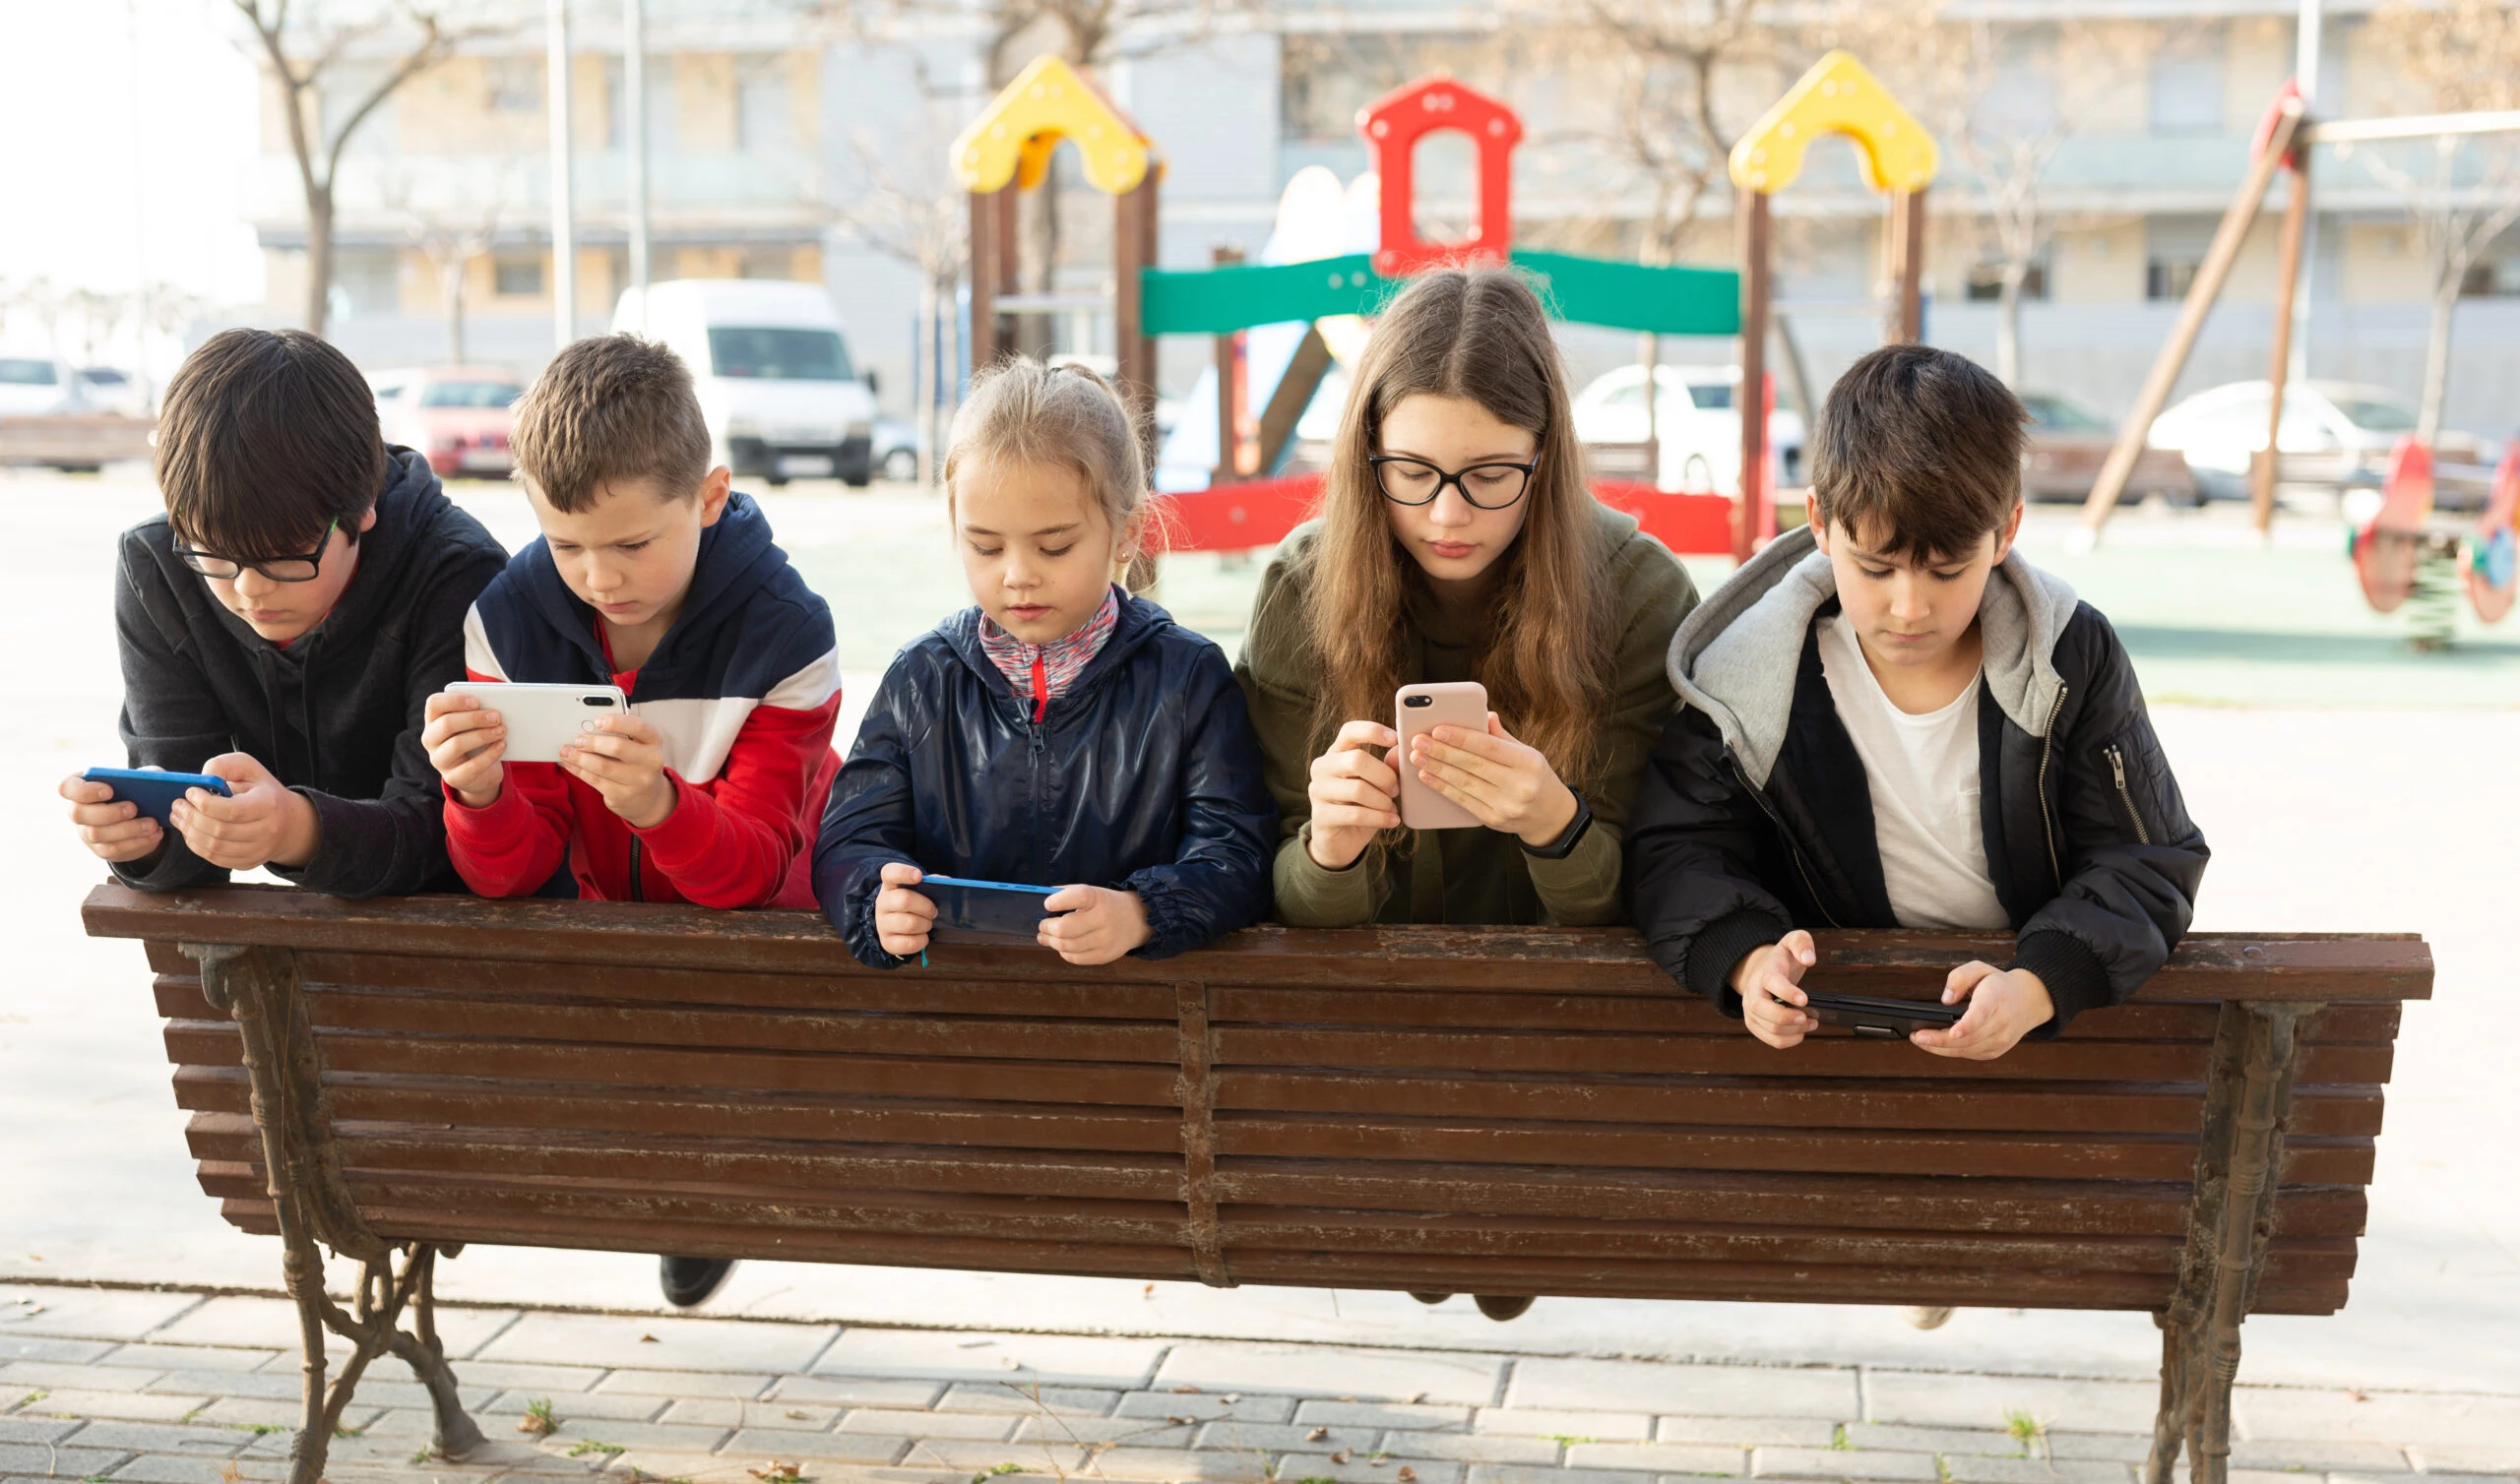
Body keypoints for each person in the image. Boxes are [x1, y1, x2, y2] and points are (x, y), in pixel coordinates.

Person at [1234, 268, 1700, 1322]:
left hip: (1563, 1045)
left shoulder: (1636, 592)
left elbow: (1654, 894)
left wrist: (1555, 823)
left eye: (1492, 473)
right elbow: (1267, 890)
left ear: (1547, 458)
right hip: (1363, 1044)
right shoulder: (1305, 586)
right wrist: (1331, 850)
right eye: (1412, 471)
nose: (1447, 513)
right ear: (1366, 458)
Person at [1626, 341, 2211, 1069]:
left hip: (2033, 1049)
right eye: (1876, 567)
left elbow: (2147, 857)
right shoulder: (1745, 671)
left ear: (2007, 532)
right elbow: (1676, 851)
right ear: (1818, 521)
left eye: (1946, 570)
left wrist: (2037, 985)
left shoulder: (2068, 653)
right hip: (1827, 1045)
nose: (1909, 606)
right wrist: (1745, 959)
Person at [419, 332, 841, 1312]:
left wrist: (659, 805)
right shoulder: (509, 618)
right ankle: (682, 1190)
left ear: (708, 494)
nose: (599, 576)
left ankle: (700, 1195)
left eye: (631, 543)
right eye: (566, 544)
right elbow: (511, 872)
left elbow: (751, 870)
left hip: (760, 951)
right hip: (605, 935)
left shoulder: (786, 630)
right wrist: (476, 795)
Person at [815, 359, 1274, 972]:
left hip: (1142, 1025)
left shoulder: (1188, 679)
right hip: (959, 1021)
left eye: (1054, 546)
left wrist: (1141, 913)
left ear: (1127, 533)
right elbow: (848, 838)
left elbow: (1238, 852)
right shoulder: (922, 679)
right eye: (985, 546)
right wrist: (876, 896)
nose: (1018, 574)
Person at [61, 328, 507, 897]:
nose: (249, 589)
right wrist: (145, 841)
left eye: (283, 557)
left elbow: (449, 834)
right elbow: (180, 817)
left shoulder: (456, 572)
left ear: (362, 506)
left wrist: (298, 830)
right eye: (215, 554)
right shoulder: (160, 567)